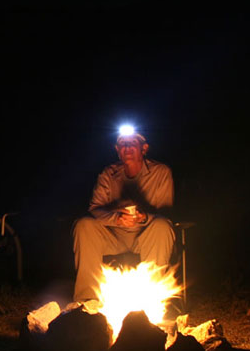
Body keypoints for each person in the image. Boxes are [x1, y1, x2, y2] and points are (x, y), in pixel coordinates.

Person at [72, 127, 175, 302]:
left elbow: (165, 211)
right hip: (113, 234)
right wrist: (116, 219)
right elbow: (95, 208)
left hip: (146, 233)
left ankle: (152, 301)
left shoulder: (160, 172)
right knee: (84, 225)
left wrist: (144, 217)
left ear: (144, 148)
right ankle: (87, 302)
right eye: (122, 144)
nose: (127, 147)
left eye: (132, 143)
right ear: (117, 150)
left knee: (162, 227)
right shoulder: (108, 174)